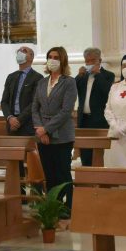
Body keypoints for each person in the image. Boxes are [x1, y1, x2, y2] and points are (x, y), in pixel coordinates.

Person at [32, 46, 77, 212]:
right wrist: (39, 128)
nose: (52, 60)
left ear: (62, 60)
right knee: (49, 174)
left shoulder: (69, 82)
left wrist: (47, 130)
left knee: (62, 173)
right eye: (50, 56)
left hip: (62, 135)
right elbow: (34, 108)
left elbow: (66, 111)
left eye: (56, 57)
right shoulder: (42, 82)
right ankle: (53, 206)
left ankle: (68, 207)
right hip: (42, 134)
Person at [75, 46, 114, 165]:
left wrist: (98, 74)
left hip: (99, 119)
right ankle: (87, 179)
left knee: (99, 154)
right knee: (85, 153)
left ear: (99, 61)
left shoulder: (108, 75)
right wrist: (78, 75)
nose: (89, 63)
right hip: (84, 120)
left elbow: (108, 91)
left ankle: (100, 180)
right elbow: (72, 89)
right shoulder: (83, 76)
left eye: (92, 61)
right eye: (87, 61)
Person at [1, 45, 43, 136]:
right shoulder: (11, 77)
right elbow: (4, 102)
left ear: (31, 57)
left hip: (27, 125)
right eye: (18, 51)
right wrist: (10, 118)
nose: (20, 52)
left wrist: (18, 121)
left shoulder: (37, 77)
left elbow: (34, 102)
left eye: (24, 51)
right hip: (11, 125)